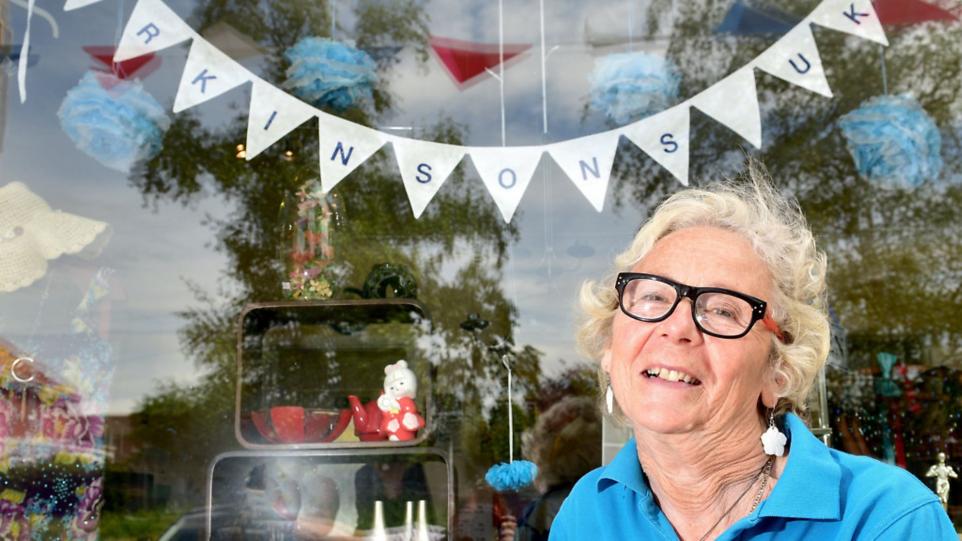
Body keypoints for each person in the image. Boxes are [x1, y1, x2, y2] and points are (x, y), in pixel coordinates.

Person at [550, 164, 957, 540]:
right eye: (653, 297)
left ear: (778, 369)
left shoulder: (885, 517)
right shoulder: (588, 512)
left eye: (722, 310)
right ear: (609, 344)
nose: (676, 328)